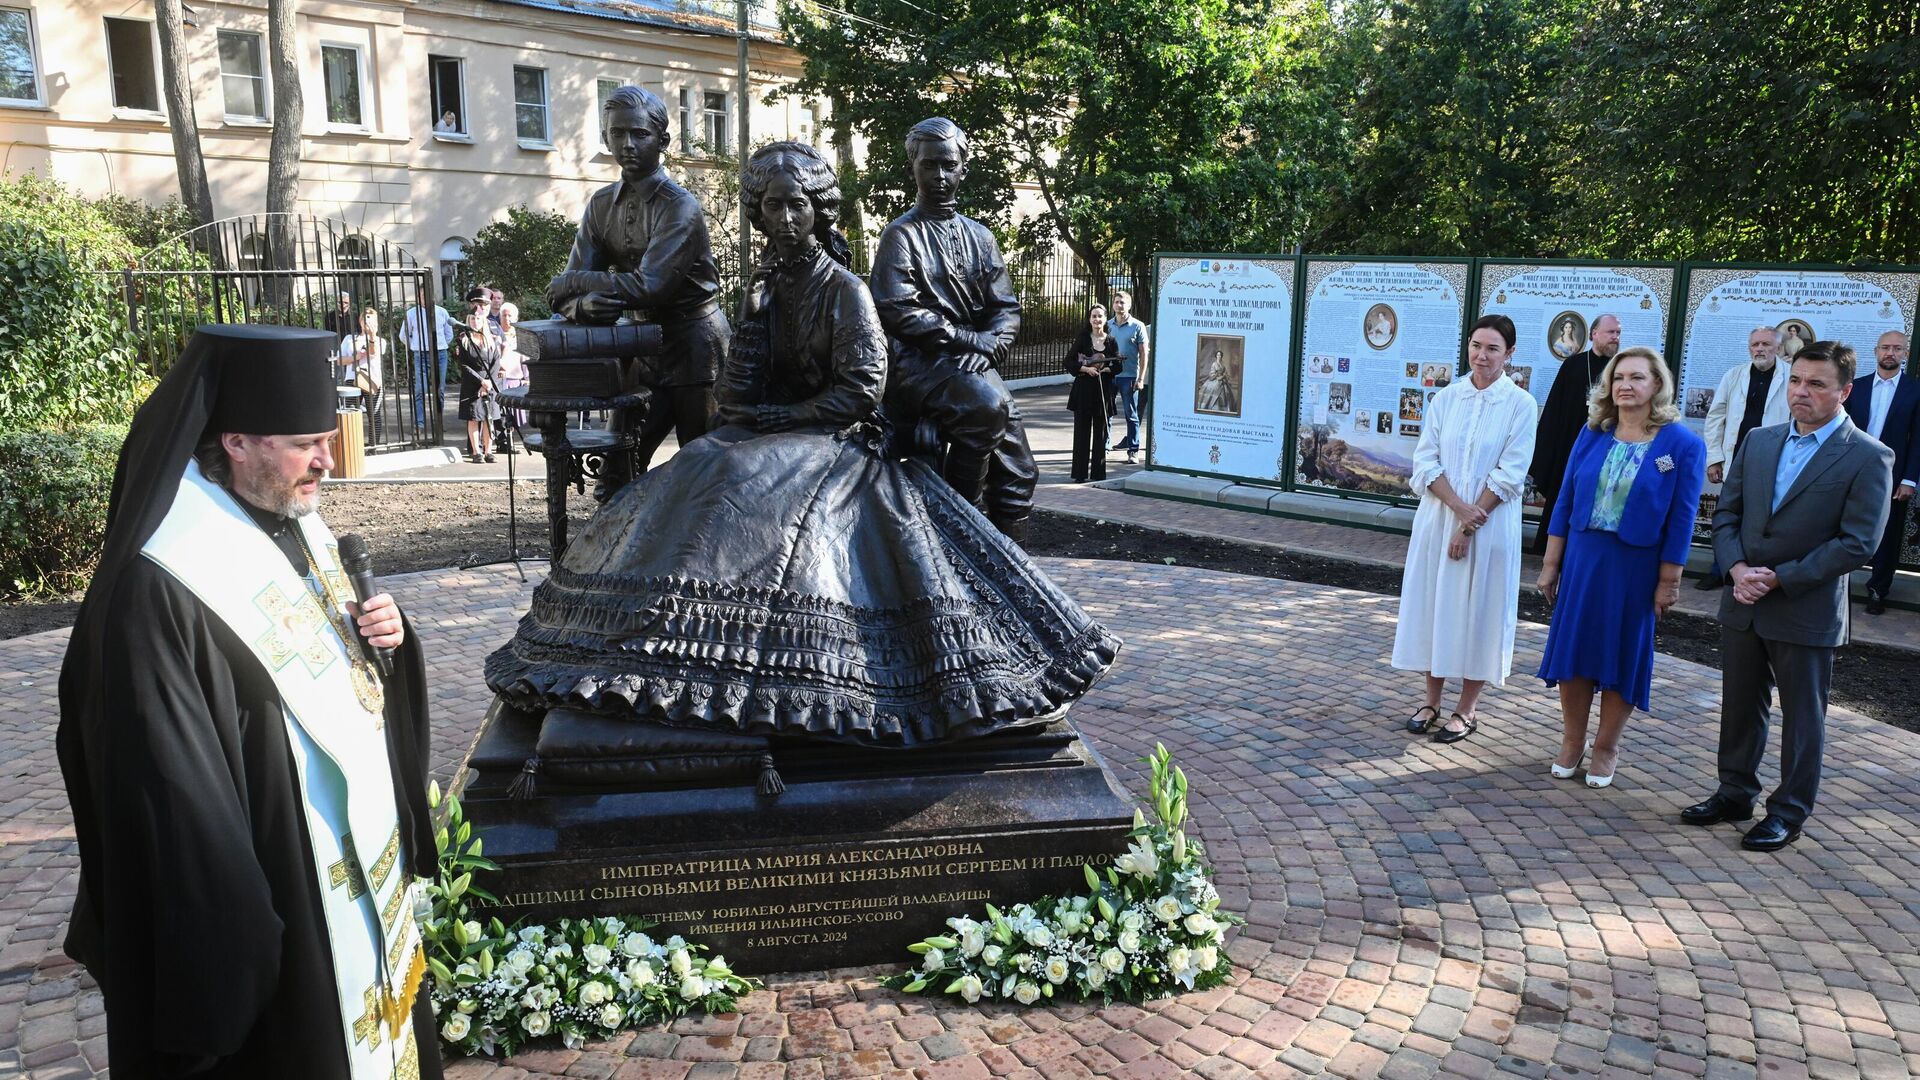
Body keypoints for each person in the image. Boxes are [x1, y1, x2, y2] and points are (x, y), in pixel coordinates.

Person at [486, 142, 1118, 746]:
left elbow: (862, 391)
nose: (786, 219)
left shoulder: (845, 289)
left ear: (819, 210)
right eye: (772, 207)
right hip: (769, 433)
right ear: (757, 214)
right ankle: (656, 636)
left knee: (751, 478)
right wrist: (755, 321)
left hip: (834, 441)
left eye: (798, 205)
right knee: (702, 460)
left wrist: (781, 415)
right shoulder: (762, 290)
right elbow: (733, 400)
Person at [57, 324, 440, 1078]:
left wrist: (390, 644)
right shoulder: (165, 579)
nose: (328, 461)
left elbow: (341, 674)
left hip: (351, 862)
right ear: (236, 442)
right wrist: (239, 941)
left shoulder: (292, 516)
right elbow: (170, 789)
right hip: (279, 884)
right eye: (307, 444)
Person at [1682, 341, 1893, 851]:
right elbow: (1727, 513)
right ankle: (1734, 793)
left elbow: (1858, 543)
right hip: (1745, 599)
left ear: (1844, 391)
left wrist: (1780, 577)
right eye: (1796, 380)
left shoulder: (1868, 456)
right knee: (1739, 706)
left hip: (1804, 605)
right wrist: (1735, 568)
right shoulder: (1759, 440)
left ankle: (1789, 811)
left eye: (1816, 384)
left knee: (1803, 716)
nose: (1802, 392)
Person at [1536, 347, 1706, 788]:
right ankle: (1572, 741)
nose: (1625, 386)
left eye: (1636, 377)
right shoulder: (1592, 433)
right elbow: (1565, 501)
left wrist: (1670, 580)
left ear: (1657, 385)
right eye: (1618, 378)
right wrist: (1551, 563)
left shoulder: (1682, 445)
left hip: (1637, 566)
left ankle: (1607, 746)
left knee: (1620, 654)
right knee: (1574, 652)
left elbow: (1682, 518)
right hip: (1584, 560)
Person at [546, 84, 728, 479]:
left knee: (702, 470)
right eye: (618, 133)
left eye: (640, 134)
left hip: (697, 350)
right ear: (605, 137)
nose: (627, 143)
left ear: (662, 140)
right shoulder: (600, 205)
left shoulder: (679, 206)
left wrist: (576, 281)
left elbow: (650, 286)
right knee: (617, 470)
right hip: (642, 349)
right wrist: (583, 307)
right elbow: (559, 297)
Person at [870, 117, 1037, 543]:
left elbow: (1006, 310)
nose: (939, 176)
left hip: (972, 361)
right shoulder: (901, 236)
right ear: (914, 168)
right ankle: (959, 531)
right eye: (929, 165)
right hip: (919, 362)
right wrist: (967, 340)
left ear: (963, 167)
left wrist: (985, 350)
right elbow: (899, 311)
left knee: (1020, 472)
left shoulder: (980, 236)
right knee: (983, 408)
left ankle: (1016, 576)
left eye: (948, 165)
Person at [1393, 314, 1538, 744]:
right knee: (1434, 604)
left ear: (1509, 354)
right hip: (1440, 517)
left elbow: (1511, 473)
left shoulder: (1521, 405)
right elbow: (1425, 461)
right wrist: (1457, 510)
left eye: (1493, 348)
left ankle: (1466, 708)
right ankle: (1431, 700)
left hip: (1490, 525)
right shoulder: (1447, 398)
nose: (1482, 356)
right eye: (1477, 346)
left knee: (1480, 609)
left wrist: (1471, 524)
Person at [1696, 326, 1791, 588]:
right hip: (1735, 457)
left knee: (1764, 520)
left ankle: (1758, 572)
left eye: (1766, 345)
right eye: (1755, 345)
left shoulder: (1791, 377)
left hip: (1773, 461)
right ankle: (1721, 570)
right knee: (1728, 516)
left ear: (1779, 348)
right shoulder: (1734, 375)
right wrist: (1714, 457)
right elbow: (1716, 416)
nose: (1759, 349)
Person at [1528, 313, 1621, 555]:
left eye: (1618, 333)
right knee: (1563, 495)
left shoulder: (1620, 368)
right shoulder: (1574, 365)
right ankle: (1552, 550)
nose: (1615, 337)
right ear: (1594, 334)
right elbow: (1554, 411)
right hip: (1571, 447)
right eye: (1611, 332)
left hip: (1607, 448)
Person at [1842, 330, 1917, 614]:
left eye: (1897, 348)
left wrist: (1909, 480)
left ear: (1905, 354)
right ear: (1875, 351)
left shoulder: (1915, 390)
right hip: (1852, 468)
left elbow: (1918, 439)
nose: (1890, 353)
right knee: (1843, 524)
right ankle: (1839, 583)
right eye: (1885, 347)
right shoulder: (1855, 387)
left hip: (1893, 474)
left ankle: (1878, 589)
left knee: (1888, 531)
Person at [1064, 304, 1120, 482]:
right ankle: (1079, 474)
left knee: (1100, 433)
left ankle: (1098, 474)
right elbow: (1068, 361)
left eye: (1100, 316)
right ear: (1090, 319)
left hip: (1102, 391)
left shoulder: (1111, 340)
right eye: (1094, 316)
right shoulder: (1083, 338)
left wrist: (1107, 370)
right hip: (1083, 391)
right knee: (1081, 433)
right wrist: (1085, 369)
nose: (1097, 320)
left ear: (1105, 319)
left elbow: (1118, 365)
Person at [454, 285, 502, 463]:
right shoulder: (463, 339)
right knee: (474, 418)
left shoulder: (490, 339)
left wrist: (489, 381)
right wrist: (481, 381)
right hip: (472, 382)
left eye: (478, 318)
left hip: (490, 383)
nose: (475, 321)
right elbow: (464, 365)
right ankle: (476, 451)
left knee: (489, 418)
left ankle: (489, 451)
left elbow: (496, 360)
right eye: (472, 318)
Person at [400, 288, 456, 430]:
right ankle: (420, 423)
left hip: (440, 354)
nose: (426, 298)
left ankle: (438, 422)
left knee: (440, 390)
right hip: (421, 354)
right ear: (419, 297)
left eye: (428, 295)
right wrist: (415, 345)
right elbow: (404, 335)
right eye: (423, 295)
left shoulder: (442, 312)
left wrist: (441, 345)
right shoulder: (412, 313)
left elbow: (448, 334)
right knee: (420, 390)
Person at [1107, 290, 1150, 461]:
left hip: (1129, 377)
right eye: (1116, 302)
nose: (1119, 305)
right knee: (1107, 413)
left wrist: (1140, 378)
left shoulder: (1137, 326)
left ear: (1129, 305)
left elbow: (1144, 354)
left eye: (1122, 302)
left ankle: (1133, 450)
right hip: (1109, 375)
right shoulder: (1107, 325)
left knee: (1131, 415)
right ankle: (1105, 446)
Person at [339, 306, 386, 440]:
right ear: (360, 321)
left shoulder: (380, 341)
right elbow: (339, 359)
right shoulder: (349, 339)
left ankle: (373, 446)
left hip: (372, 379)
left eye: (371, 320)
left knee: (374, 414)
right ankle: (354, 445)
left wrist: (372, 336)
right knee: (351, 415)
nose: (368, 323)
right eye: (365, 319)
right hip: (352, 379)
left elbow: (373, 352)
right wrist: (356, 357)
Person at [494, 300, 529, 451]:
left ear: (515, 318)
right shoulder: (494, 334)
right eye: (504, 315)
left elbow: (525, 359)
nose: (507, 319)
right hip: (499, 378)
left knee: (513, 415)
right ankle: (501, 442)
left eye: (510, 316)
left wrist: (527, 378)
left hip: (515, 378)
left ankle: (510, 441)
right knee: (499, 413)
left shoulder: (520, 336)